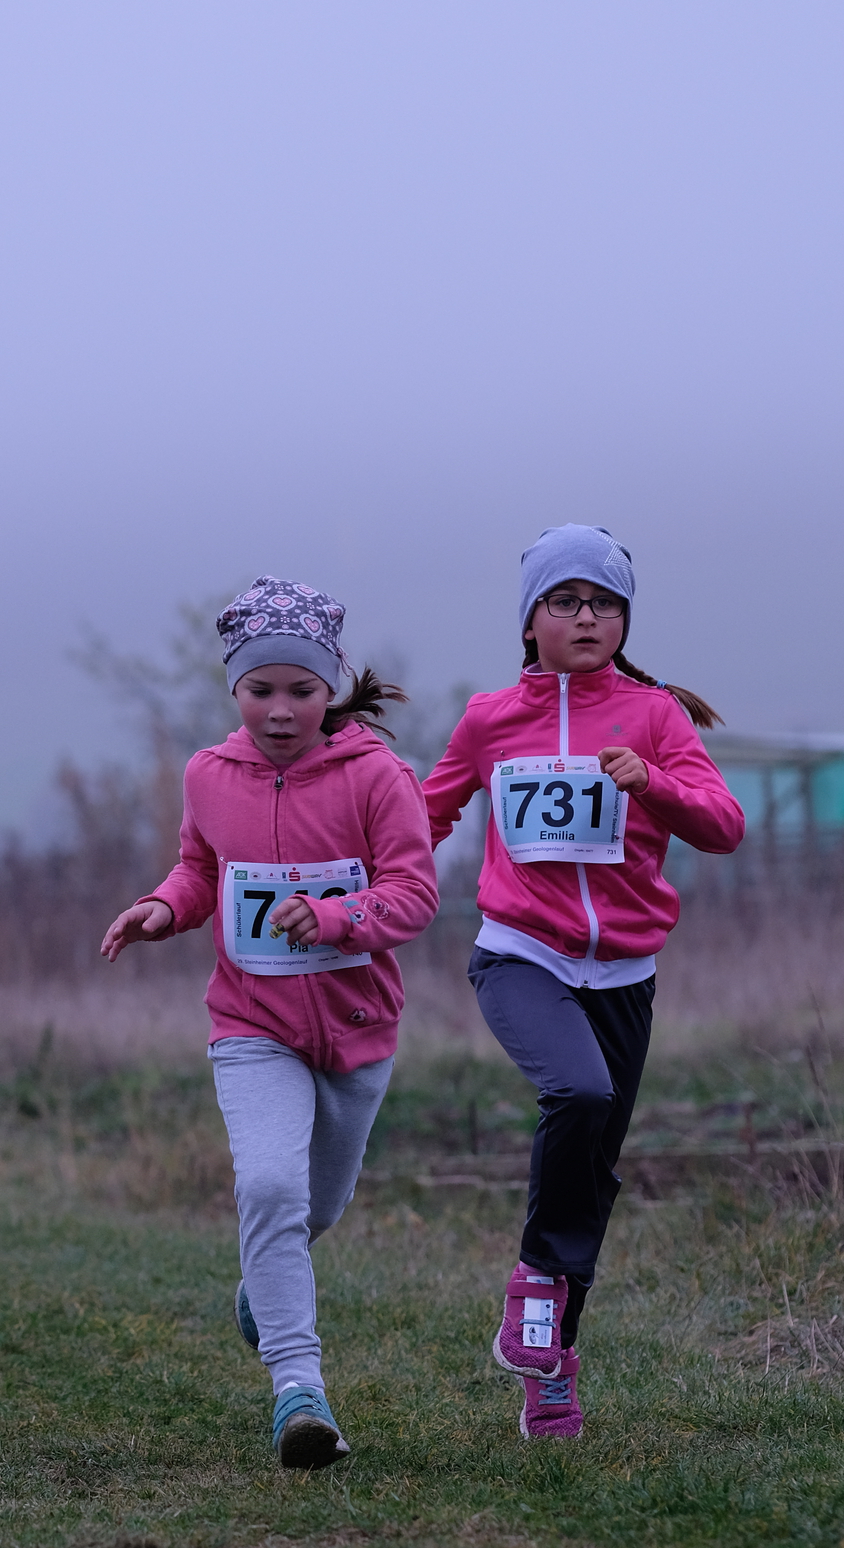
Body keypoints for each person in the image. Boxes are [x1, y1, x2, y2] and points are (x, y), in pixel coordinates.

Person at [102, 580, 439, 1470]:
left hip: (357, 1030)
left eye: (300, 689)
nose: (280, 710)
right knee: (268, 1190)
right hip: (251, 1024)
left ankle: (265, 1286)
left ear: (332, 687)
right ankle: (299, 1391)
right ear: (233, 688)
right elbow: (199, 869)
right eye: (259, 690)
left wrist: (333, 917)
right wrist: (163, 908)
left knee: (315, 1208)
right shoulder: (208, 776)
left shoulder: (379, 778)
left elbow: (414, 895)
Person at [423, 525, 743, 1439]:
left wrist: (653, 785)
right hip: (520, 953)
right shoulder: (489, 719)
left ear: (625, 619)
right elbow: (423, 815)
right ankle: (535, 1276)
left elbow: (723, 826)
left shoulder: (655, 717)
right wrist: (355, 887)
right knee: (579, 1091)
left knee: (593, 1174)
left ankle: (550, 1362)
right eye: (565, 601)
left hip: (625, 972)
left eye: (605, 603)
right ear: (530, 622)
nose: (587, 616)